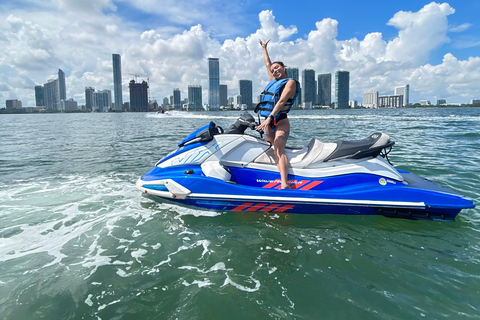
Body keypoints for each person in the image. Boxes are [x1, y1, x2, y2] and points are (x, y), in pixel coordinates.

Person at [256, 39, 300, 189]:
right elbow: (267, 64)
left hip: (279, 120)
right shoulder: (273, 81)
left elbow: (281, 102)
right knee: (269, 147)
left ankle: (284, 183)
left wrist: (269, 119)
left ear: (284, 67)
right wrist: (264, 48)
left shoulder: (290, 82)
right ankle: (270, 173)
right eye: (273, 69)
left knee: (278, 148)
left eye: (277, 68)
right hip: (268, 122)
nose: (274, 70)